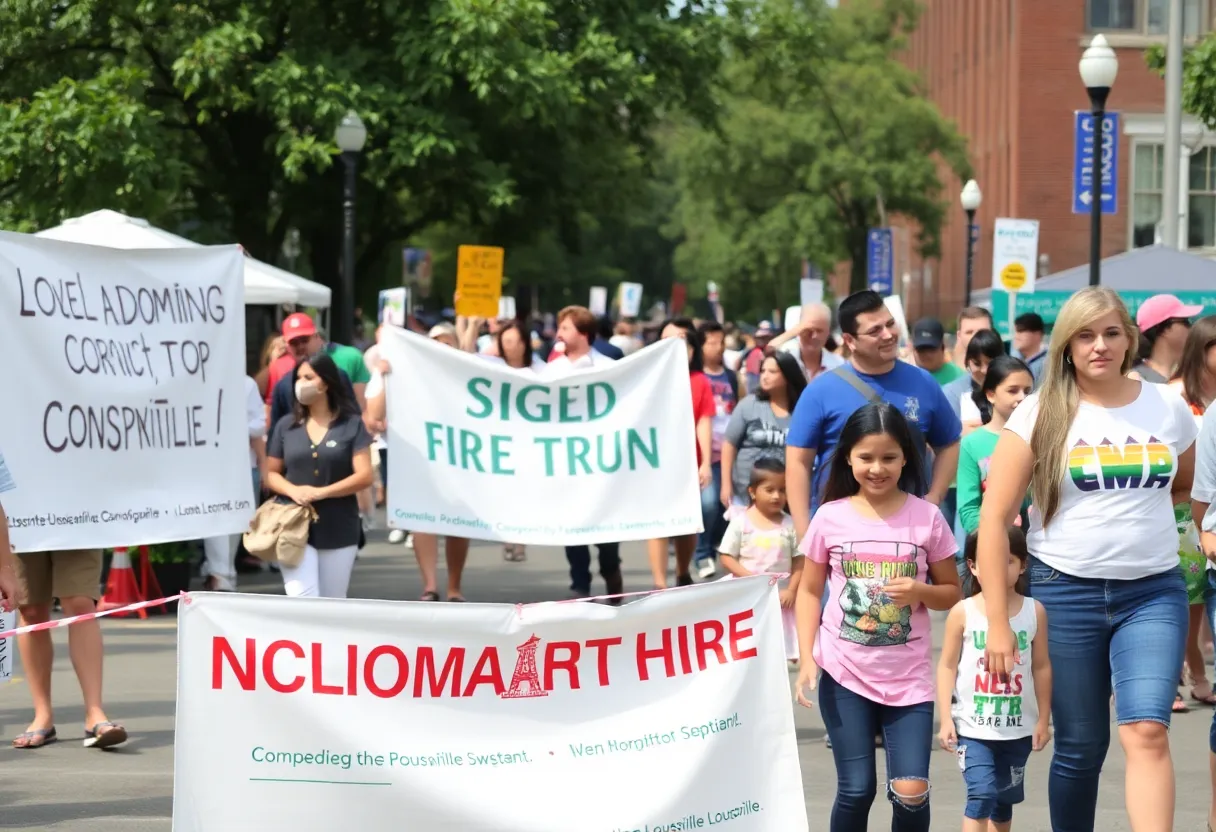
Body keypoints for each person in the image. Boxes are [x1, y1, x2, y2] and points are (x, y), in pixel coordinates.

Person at [978, 286, 1195, 832]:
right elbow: (993, 518)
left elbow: (1185, 483)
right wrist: (999, 623)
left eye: (1111, 333)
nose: (1099, 345)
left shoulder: (1166, 404)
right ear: (1067, 345)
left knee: (1146, 729)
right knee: (1080, 746)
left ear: (1130, 338)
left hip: (1153, 593)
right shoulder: (1038, 412)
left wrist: (1129, 518)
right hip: (1063, 591)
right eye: (1085, 335)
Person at [793, 401, 961, 832]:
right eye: (866, 457)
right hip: (844, 673)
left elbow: (951, 595)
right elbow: (810, 590)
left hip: (909, 682)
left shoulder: (928, 518)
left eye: (888, 457)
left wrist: (921, 591)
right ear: (848, 457)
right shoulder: (829, 517)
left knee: (910, 791)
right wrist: (808, 657)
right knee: (856, 789)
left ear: (907, 456)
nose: (877, 468)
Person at [786, 290, 962, 543]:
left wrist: (934, 496)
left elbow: (949, 443)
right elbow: (798, 463)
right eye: (875, 330)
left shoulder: (923, 382)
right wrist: (805, 534)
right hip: (838, 537)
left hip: (909, 535)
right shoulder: (820, 391)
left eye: (890, 324)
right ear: (849, 340)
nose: (888, 335)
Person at [936, 528, 1052, 832]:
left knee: (1003, 802)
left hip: (1017, 731)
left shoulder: (1034, 611)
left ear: (1023, 565)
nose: (999, 570)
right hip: (973, 728)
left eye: (1009, 561)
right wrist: (946, 719)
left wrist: (1043, 720)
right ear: (973, 566)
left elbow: (1041, 667)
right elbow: (947, 665)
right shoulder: (963, 612)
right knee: (981, 795)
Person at [265, 351, 374, 598]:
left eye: (308, 377)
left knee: (332, 604)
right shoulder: (286, 425)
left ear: (325, 382)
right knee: (302, 599)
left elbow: (365, 475)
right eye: (298, 378)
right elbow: (272, 473)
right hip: (292, 524)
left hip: (339, 526)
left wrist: (322, 492)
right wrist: (294, 490)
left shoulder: (351, 424)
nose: (301, 384)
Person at [549, 305, 624, 600]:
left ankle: (611, 575)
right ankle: (579, 584)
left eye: (565, 328)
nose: (558, 334)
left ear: (583, 333)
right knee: (573, 525)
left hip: (602, 465)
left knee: (606, 530)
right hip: (569, 464)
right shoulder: (552, 370)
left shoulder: (608, 366)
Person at [1170, 316, 1216, 709]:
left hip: (1207, 514)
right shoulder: (1173, 396)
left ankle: (1197, 670)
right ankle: (1170, 677)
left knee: (1199, 598)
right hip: (1177, 512)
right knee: (1177, 597)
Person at [648, 318, 713, 589]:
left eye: (680, 341)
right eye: (666, 340)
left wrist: (706, 462)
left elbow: (704, 421)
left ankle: (682, 571)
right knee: (658, 522)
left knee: (689, 520)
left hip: (688, 462)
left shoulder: (700, 381)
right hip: (655, 462)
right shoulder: (648, 380)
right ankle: (660, 584)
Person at [717, 459, 800, 659]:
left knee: (778, 647)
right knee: (749, 641)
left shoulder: (790, 524)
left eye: (782, 490)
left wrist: (791, 589)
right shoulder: (741, 522)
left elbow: (800, 560)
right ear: (752, 492)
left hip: (781, 598)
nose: (776, 496)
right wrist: (751, 578)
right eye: (769, 490)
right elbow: (727, 557)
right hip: (748, 595)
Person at [202, 374, 267, 591]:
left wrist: (230, 428)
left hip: (240, 464)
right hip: (206, 463)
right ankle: (219, 573)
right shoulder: (197, 381)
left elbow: (258, 425)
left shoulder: (245, 383)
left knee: (237, 519)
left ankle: (225, 570)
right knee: (213, 517)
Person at [956, 357, 1034, 538]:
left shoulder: (1042, 438)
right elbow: (968, 509)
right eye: (1012, 391)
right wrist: (995, 528)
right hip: (995, 543)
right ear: (990, 394)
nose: (1022, 397)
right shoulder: (972, 443)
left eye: (1027, 391)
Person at [721, 352, 806, 514]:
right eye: (763, 371)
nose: (765, 376)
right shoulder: (749, 404)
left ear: (788, 375)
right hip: (746, 494)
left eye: (772, 372)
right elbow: (729, 443)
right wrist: (726, 485)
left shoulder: (802, 410)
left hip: (784, 497)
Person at [695, 320, 739, 578]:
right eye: (712, 342)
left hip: (729, 452)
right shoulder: (696, 376)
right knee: (709, 504)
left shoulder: (731, 375)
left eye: (721, 342)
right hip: (705, 454)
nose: (719, 347)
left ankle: (717, 550)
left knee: (726, 507)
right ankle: (702, 554)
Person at [945, 329, 1006, 430]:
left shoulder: (1012, 390)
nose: (984, 370)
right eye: (977, 363)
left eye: (990, 363)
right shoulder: (953, 393)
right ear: (967, 362)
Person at [1134, 293, 1201, 383]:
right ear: (1163, 329)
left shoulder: (1192, 378)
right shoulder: (1137, 380)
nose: (1191, 327)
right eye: (1186, 322)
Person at [772, 303, 845, 382]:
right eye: (809, 330)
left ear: (828, 332)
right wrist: (791, 333)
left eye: (819, 331)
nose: (814, 336)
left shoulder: (838, 365)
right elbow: (767, 353)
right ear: (799, 330)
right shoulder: (785, 361)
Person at [911, 317, 965, 386]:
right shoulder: (904, 378)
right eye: (921, 349)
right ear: (913, 350)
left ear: (943, 348)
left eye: (931, 349)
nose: (926, 354)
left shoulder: (958, 378)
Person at [1011, 313, 1048, 384]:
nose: (1016, 336)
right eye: (1015, 332)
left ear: (1038, 334)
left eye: (1020, 331)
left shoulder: (1049, 364)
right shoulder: (1013, 360)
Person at [742, 320, 776, 392]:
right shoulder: (752, 351)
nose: (761, 340)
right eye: (759, 338)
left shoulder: (771, 351)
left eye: (765, 337)